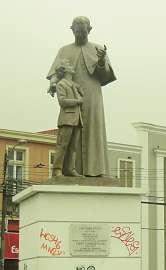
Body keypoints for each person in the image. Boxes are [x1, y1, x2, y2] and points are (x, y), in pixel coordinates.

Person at [47, 16, 116, 177]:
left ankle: (96, 170)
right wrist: (52, 84)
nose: (79, 35)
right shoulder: (64, 50)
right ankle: (67, 170)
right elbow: (56, 73)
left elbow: (106, 77)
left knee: (94, 129)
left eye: (83, 32)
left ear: (89, 30)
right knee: (69, 134)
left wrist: (100, 62)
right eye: (76, 31)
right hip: (70, 92)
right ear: (72, 30)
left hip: (93, 95)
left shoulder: (98, 49)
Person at [50, 59, 84, 177]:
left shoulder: (74, 85)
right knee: (62, 145)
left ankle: (70, 169)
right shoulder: (61, 84)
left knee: (73, 146)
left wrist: (79, 91)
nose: (72, 66)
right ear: (64, 70)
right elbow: (62, 101)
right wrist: (77, 101)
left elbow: (83, 95)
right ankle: (57, 170)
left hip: (77, 119)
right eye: (68, 65)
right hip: (67, 118)